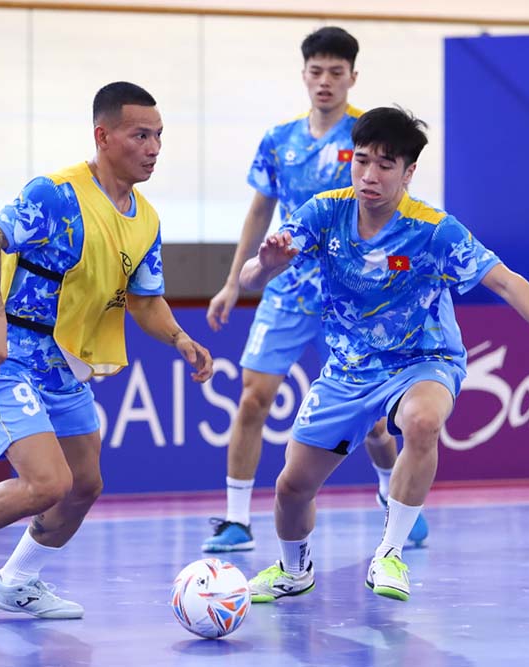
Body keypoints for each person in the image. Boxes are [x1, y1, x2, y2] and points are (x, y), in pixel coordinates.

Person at [242, 106, 529, 603]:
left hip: (424, 359)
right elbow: (251, 278)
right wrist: (265, 266)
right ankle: (294, 571)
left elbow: (507, 282)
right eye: (361, 161)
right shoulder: (324, 212)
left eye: (384, 165)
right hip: (350, 368)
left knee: (421, 422)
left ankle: (390, 553)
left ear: (408, 172)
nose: (369, 175)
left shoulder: (433, 230)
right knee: (291, 487)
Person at [0, 81, 214, 620]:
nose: (154, 148)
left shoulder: (146, 219)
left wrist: (180, 338)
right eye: (141, 135)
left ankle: (16, 582)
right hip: (4, 355)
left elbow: (145, 300)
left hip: (63, 366)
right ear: (103, 136)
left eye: (159, 136)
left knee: (84, 484)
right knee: (47, 483)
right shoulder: (56, 194)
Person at [202, 26, 427, 553]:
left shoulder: (367, 141)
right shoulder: (278, 140)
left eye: (336, 72)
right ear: (303, 75)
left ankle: (390, 491)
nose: (325, 81)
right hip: (286, 290)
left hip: (352, 295)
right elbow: (260, 211)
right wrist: (234, 282)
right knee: (253, 399)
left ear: (352, 77)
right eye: (316, 71)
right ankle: (237, 520)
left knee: (373, 424)